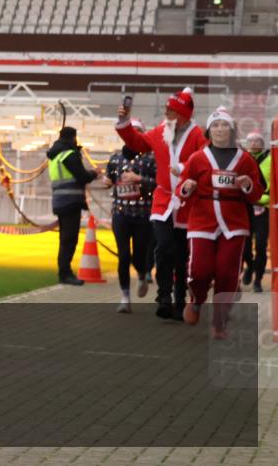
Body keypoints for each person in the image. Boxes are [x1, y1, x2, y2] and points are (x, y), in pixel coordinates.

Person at [116, 87, 204, 321]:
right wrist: (124, 121)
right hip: (163, 200)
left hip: (187, 203)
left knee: (182, 255)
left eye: (171, 111)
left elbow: (206, 162)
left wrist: (186, 170)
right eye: (167, 110)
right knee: (164, 248)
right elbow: (137, 142)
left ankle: (179, 300)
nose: (167, 114)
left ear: (183, 114)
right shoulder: (159, 132)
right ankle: (163, 297)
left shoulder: (198, 135)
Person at [177, 107, 264, 338]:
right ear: (209, 130)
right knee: (199, 270)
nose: (219, 129)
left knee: (227, 272)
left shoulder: (244, 159)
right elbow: (182, 187)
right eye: (215, 125)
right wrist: (186, 188)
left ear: (232, 129)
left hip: (234, 221)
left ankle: (220, 319)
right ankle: (196, 300)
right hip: (202, 219)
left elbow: (256, 193)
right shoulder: (197, 158)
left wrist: (246, 185)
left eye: (224, 125)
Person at [100, 119, 157, 313]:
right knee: (123, 255)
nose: (133, 135)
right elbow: (108, 179)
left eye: (138, 131)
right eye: (131, 131)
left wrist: (139, 179)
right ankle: (125, 297)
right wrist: (106, 181)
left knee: (139, 255)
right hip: (121, 214)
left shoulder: (151, 159)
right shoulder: (115, 159)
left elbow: (160, 183)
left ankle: (141, 274)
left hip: (143, 215)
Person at [47, 126, 101, 285]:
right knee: (69, 239)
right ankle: (65, 274)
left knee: (65, 238)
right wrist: (95, 173)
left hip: (60, 201)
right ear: (73, 138)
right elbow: (82, 177)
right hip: (70, 201)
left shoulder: (56, 156)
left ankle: (63, 272)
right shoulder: (69, 155)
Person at [242, 131, 271, 292]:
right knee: (245, 245)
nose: (253, 144)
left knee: (260, 245)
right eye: (250, 141)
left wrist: (265, 199)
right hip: (245, 208)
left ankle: (258, 280)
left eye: (256, 141)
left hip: (263, 208)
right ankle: (250, 266)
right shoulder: (242, 159)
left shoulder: (271, 159)